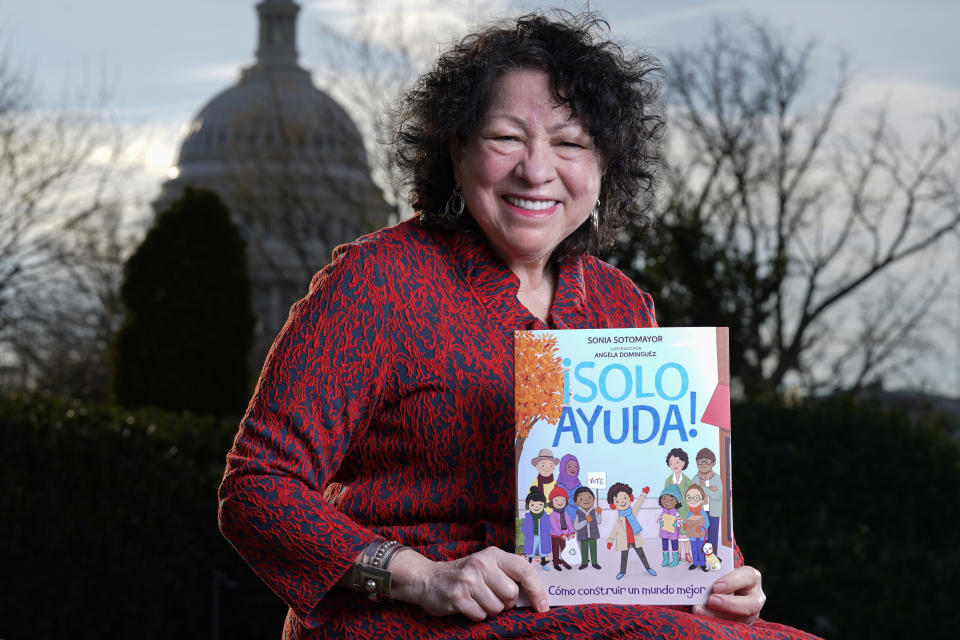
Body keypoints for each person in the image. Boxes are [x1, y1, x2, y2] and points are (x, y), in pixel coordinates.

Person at [218, 10, 819, 639]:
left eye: (570, 142)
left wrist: (721, 578)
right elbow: (257, 489)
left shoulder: (620, 303)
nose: (537, 170)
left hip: (592, 619)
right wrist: (419, 576)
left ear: (605, 164)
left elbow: (650, 506)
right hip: (406, 621)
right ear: (456, 148)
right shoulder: (380, 279)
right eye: (507, 138)